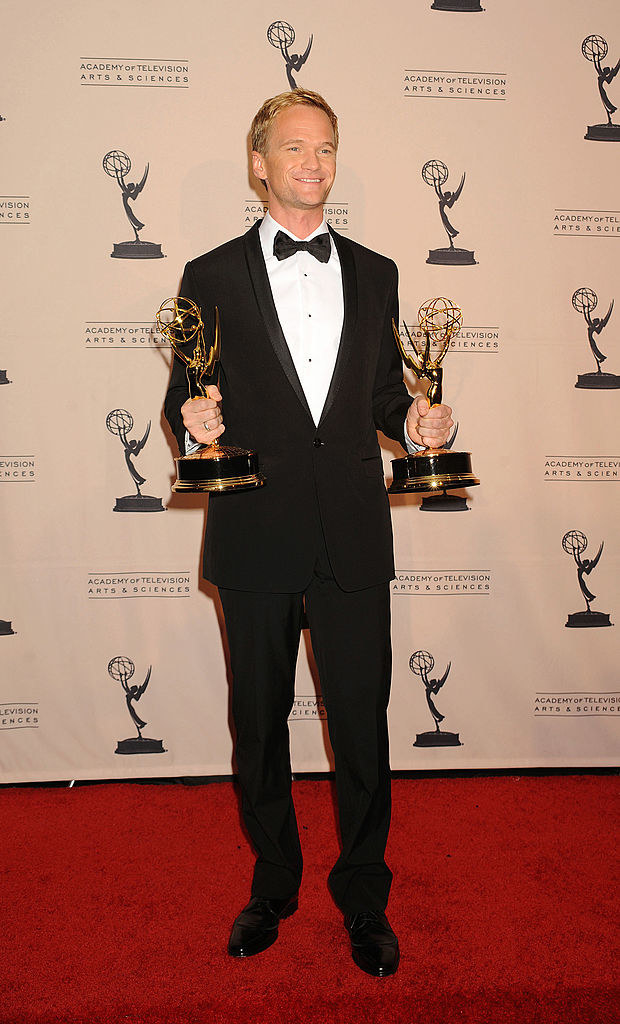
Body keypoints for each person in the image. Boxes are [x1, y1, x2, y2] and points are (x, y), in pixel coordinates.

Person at [164, 89, 453, 977]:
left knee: (362, 725)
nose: (313, 162)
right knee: (258, 726)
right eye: (295, 148)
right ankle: (274, 885)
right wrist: (195, 419)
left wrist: (418, 424)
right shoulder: (209, 276)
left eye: (325, 147)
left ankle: (364, 896)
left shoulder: (378, 271)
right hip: (253, 534)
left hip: (355, 539)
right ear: (260, 163)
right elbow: (183, 398)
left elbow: (379, 399)